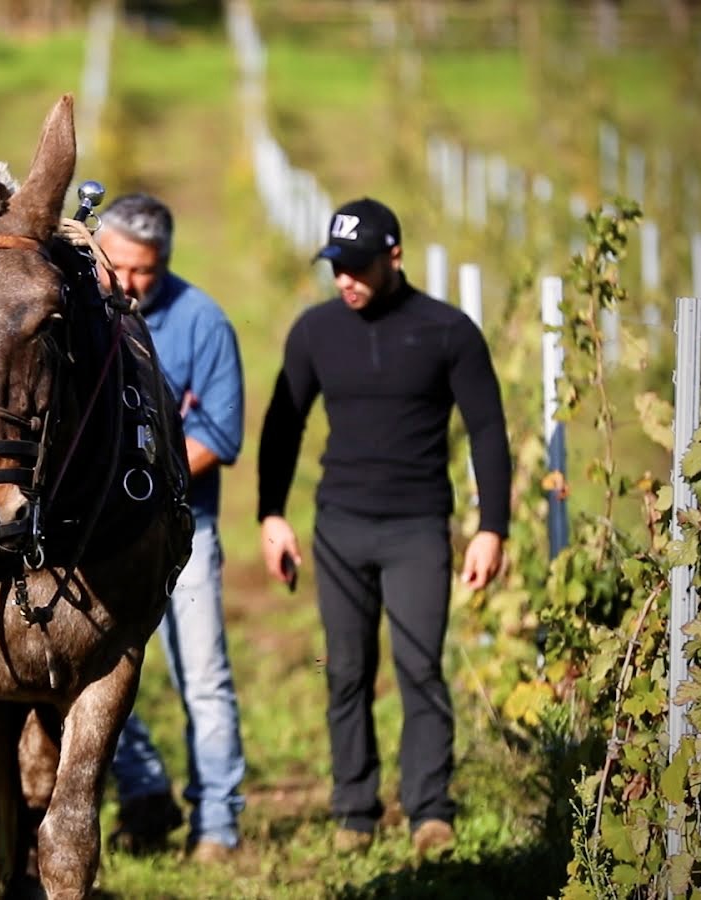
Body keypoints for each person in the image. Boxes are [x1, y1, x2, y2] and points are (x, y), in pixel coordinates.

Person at [255, 197, 510, 858]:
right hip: (339, 527)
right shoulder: (315, 332)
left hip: (417, 529)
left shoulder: (448, 332)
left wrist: (493, 527)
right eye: (336, 266)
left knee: (419, 666)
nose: (345, 279)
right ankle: (354, 809)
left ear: (394, 256)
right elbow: (283, 425)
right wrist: (272, 514)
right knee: (345, 670)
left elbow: (487, 429)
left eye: (358, 266)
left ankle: (430, 809)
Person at [93, 193, 247, 862]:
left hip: (183, 529)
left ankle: (217, 823)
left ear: (167, 262)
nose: (128, 283)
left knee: (202, 677)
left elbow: (219, 432)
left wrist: (147, 471)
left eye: (144, 271)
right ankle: (143, 785)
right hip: (96, 538)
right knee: (88, 670)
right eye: (117, 266)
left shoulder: (201, 322)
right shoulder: (77, 315)